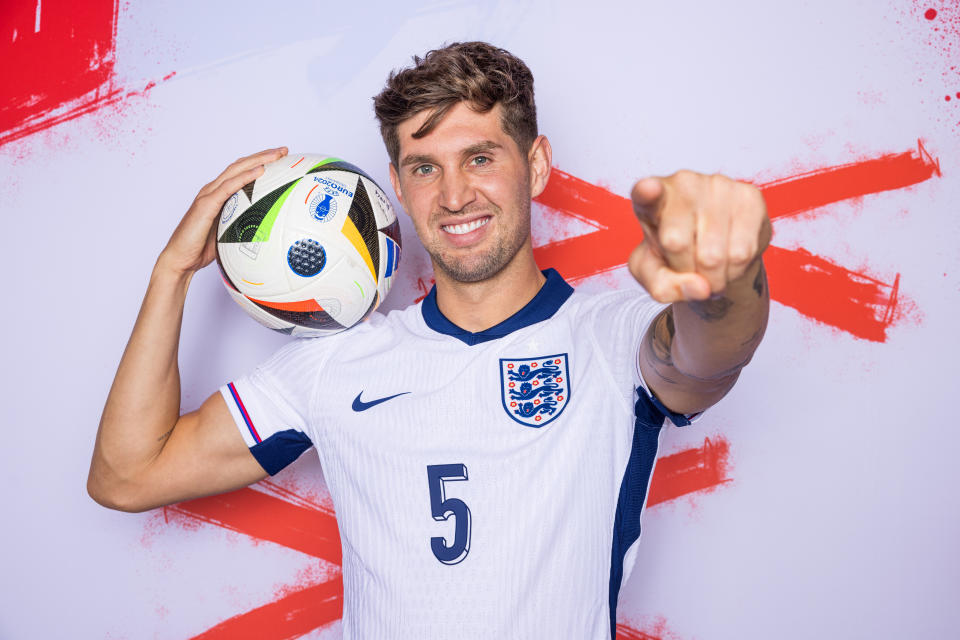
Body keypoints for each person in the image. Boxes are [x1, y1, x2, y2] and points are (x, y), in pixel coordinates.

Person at [88, 42, 770, 639]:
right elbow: (127, 476)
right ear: (395, 187)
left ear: (535, 166)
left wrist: (728, 281)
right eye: (423, 168)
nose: (453, 195)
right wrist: (172, 272)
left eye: (480, 158)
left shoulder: (610, 337)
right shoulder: (335, 362)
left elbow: (709, 355)